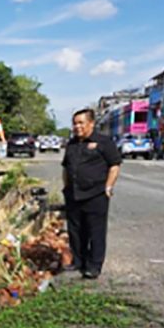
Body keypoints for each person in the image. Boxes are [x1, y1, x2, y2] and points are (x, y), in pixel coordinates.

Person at [61, 108, 122, 279]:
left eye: (81, 122)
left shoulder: (104, 142)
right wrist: (66, 188)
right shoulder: (72, 144)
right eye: (74, 123)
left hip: (96, 194)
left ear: (91, 123)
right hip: (74, 194)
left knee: (95, 231)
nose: (77, 126)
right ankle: (78, 261)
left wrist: (108, 187)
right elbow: (66, 167)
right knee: (75, 230)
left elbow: (115, 165)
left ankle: (94, 265)